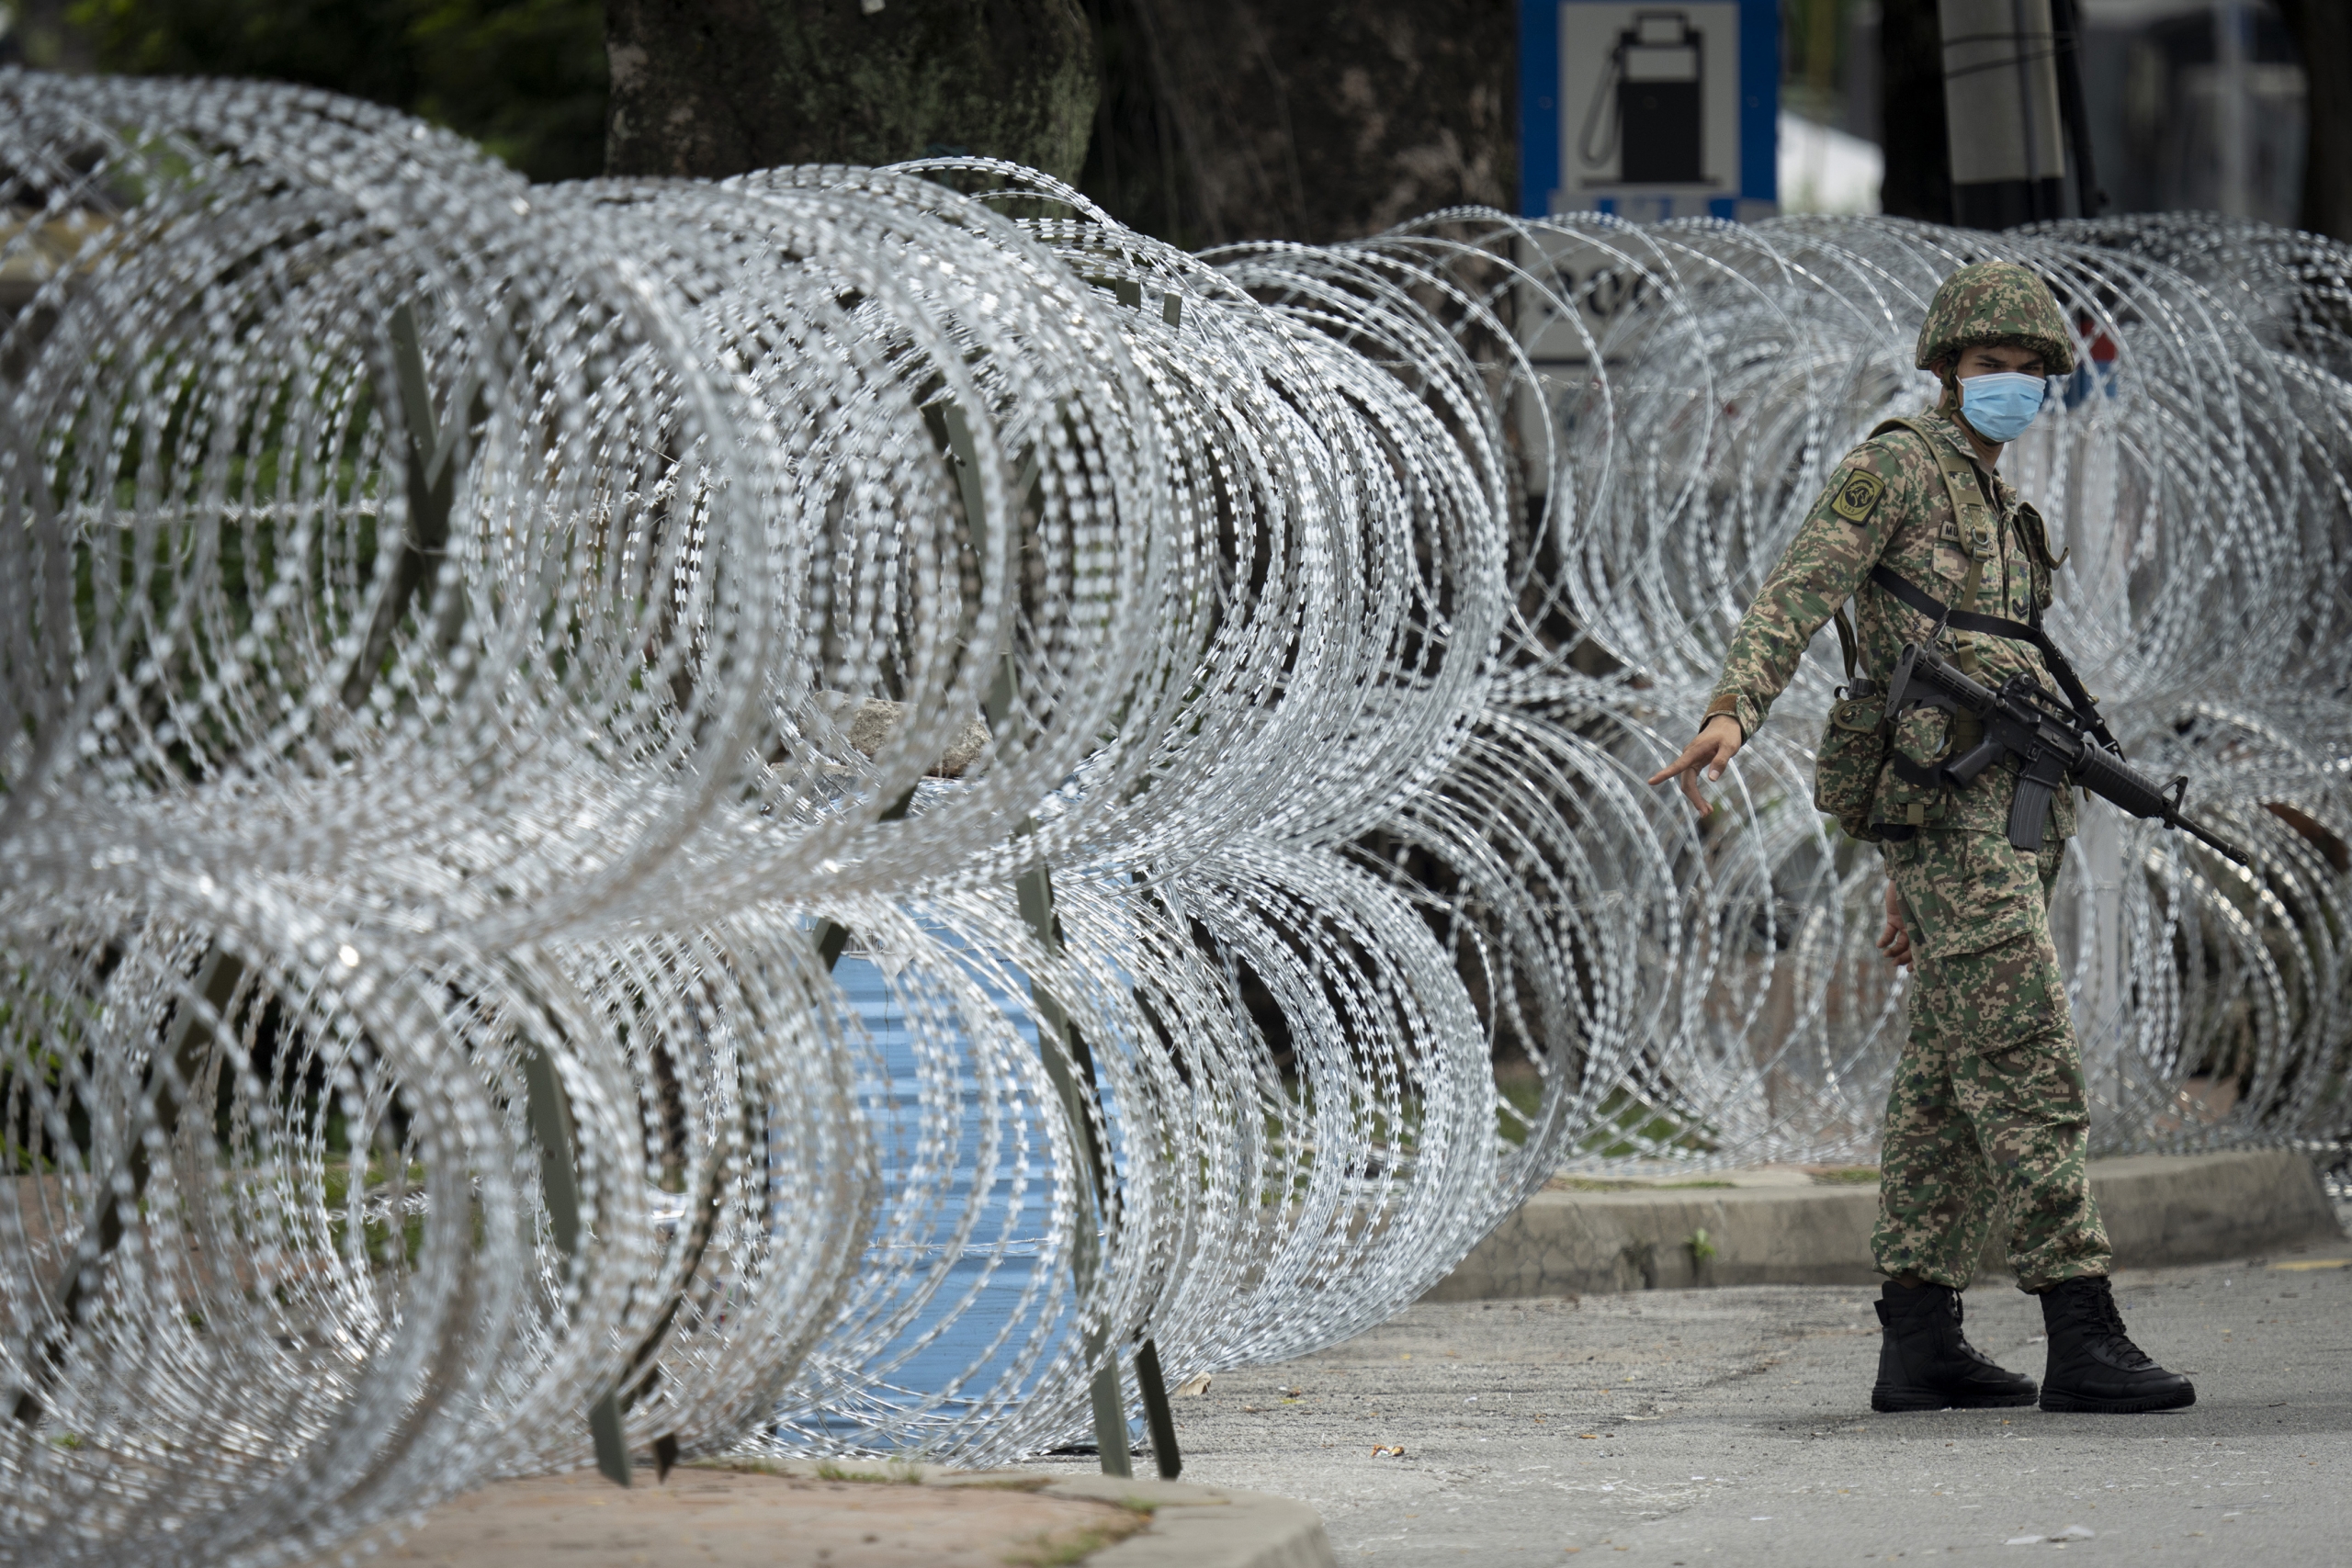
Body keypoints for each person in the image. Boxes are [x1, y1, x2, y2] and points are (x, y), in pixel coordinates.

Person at [1646, 260, 2195, 1416]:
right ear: (1949, 367)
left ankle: (1919, 1336)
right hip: (1943, 810)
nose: (2014, 387)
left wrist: (1908, 872)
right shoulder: (1894, 468)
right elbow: (1799, 590)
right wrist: (1729, 712)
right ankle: (2079, 1325)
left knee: (1948, 1079)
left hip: (1984, 811)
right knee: (2027, 1055)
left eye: (2032, 372)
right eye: (1993, 367)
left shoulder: (2008, 510)